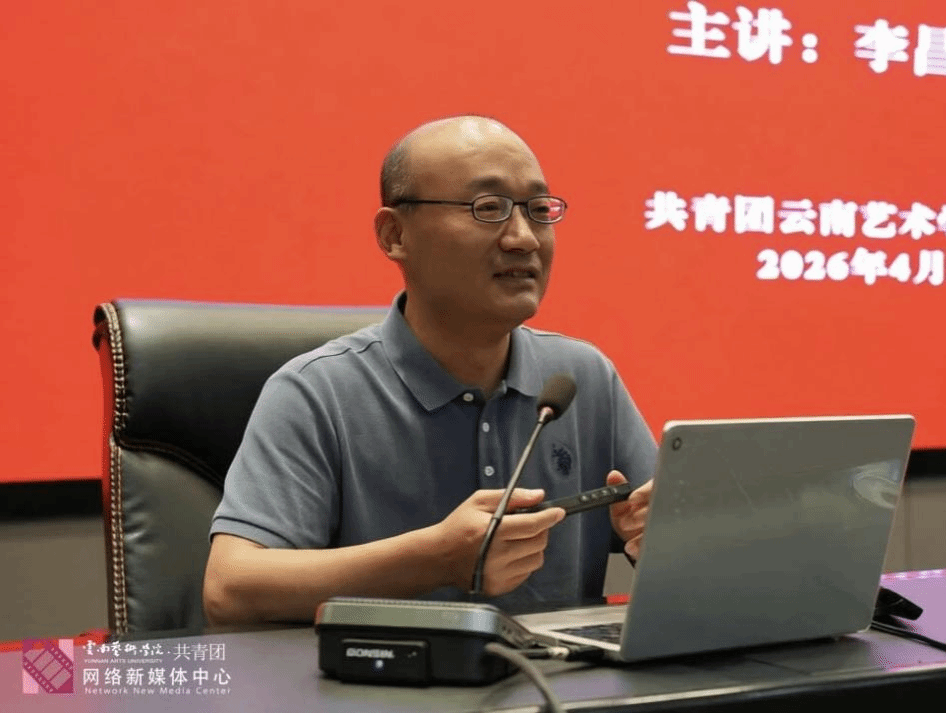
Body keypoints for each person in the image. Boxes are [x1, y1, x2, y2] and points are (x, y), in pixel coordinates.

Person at [202, 116, 657, 625]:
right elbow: (230, 589)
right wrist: (435, 559)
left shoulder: (580, 379)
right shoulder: (316, 392)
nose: (524, 238)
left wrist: (662, 540)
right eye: (488, 208)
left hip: (555, 677)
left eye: (537, 210)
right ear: (395, 234)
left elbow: (664, 533)